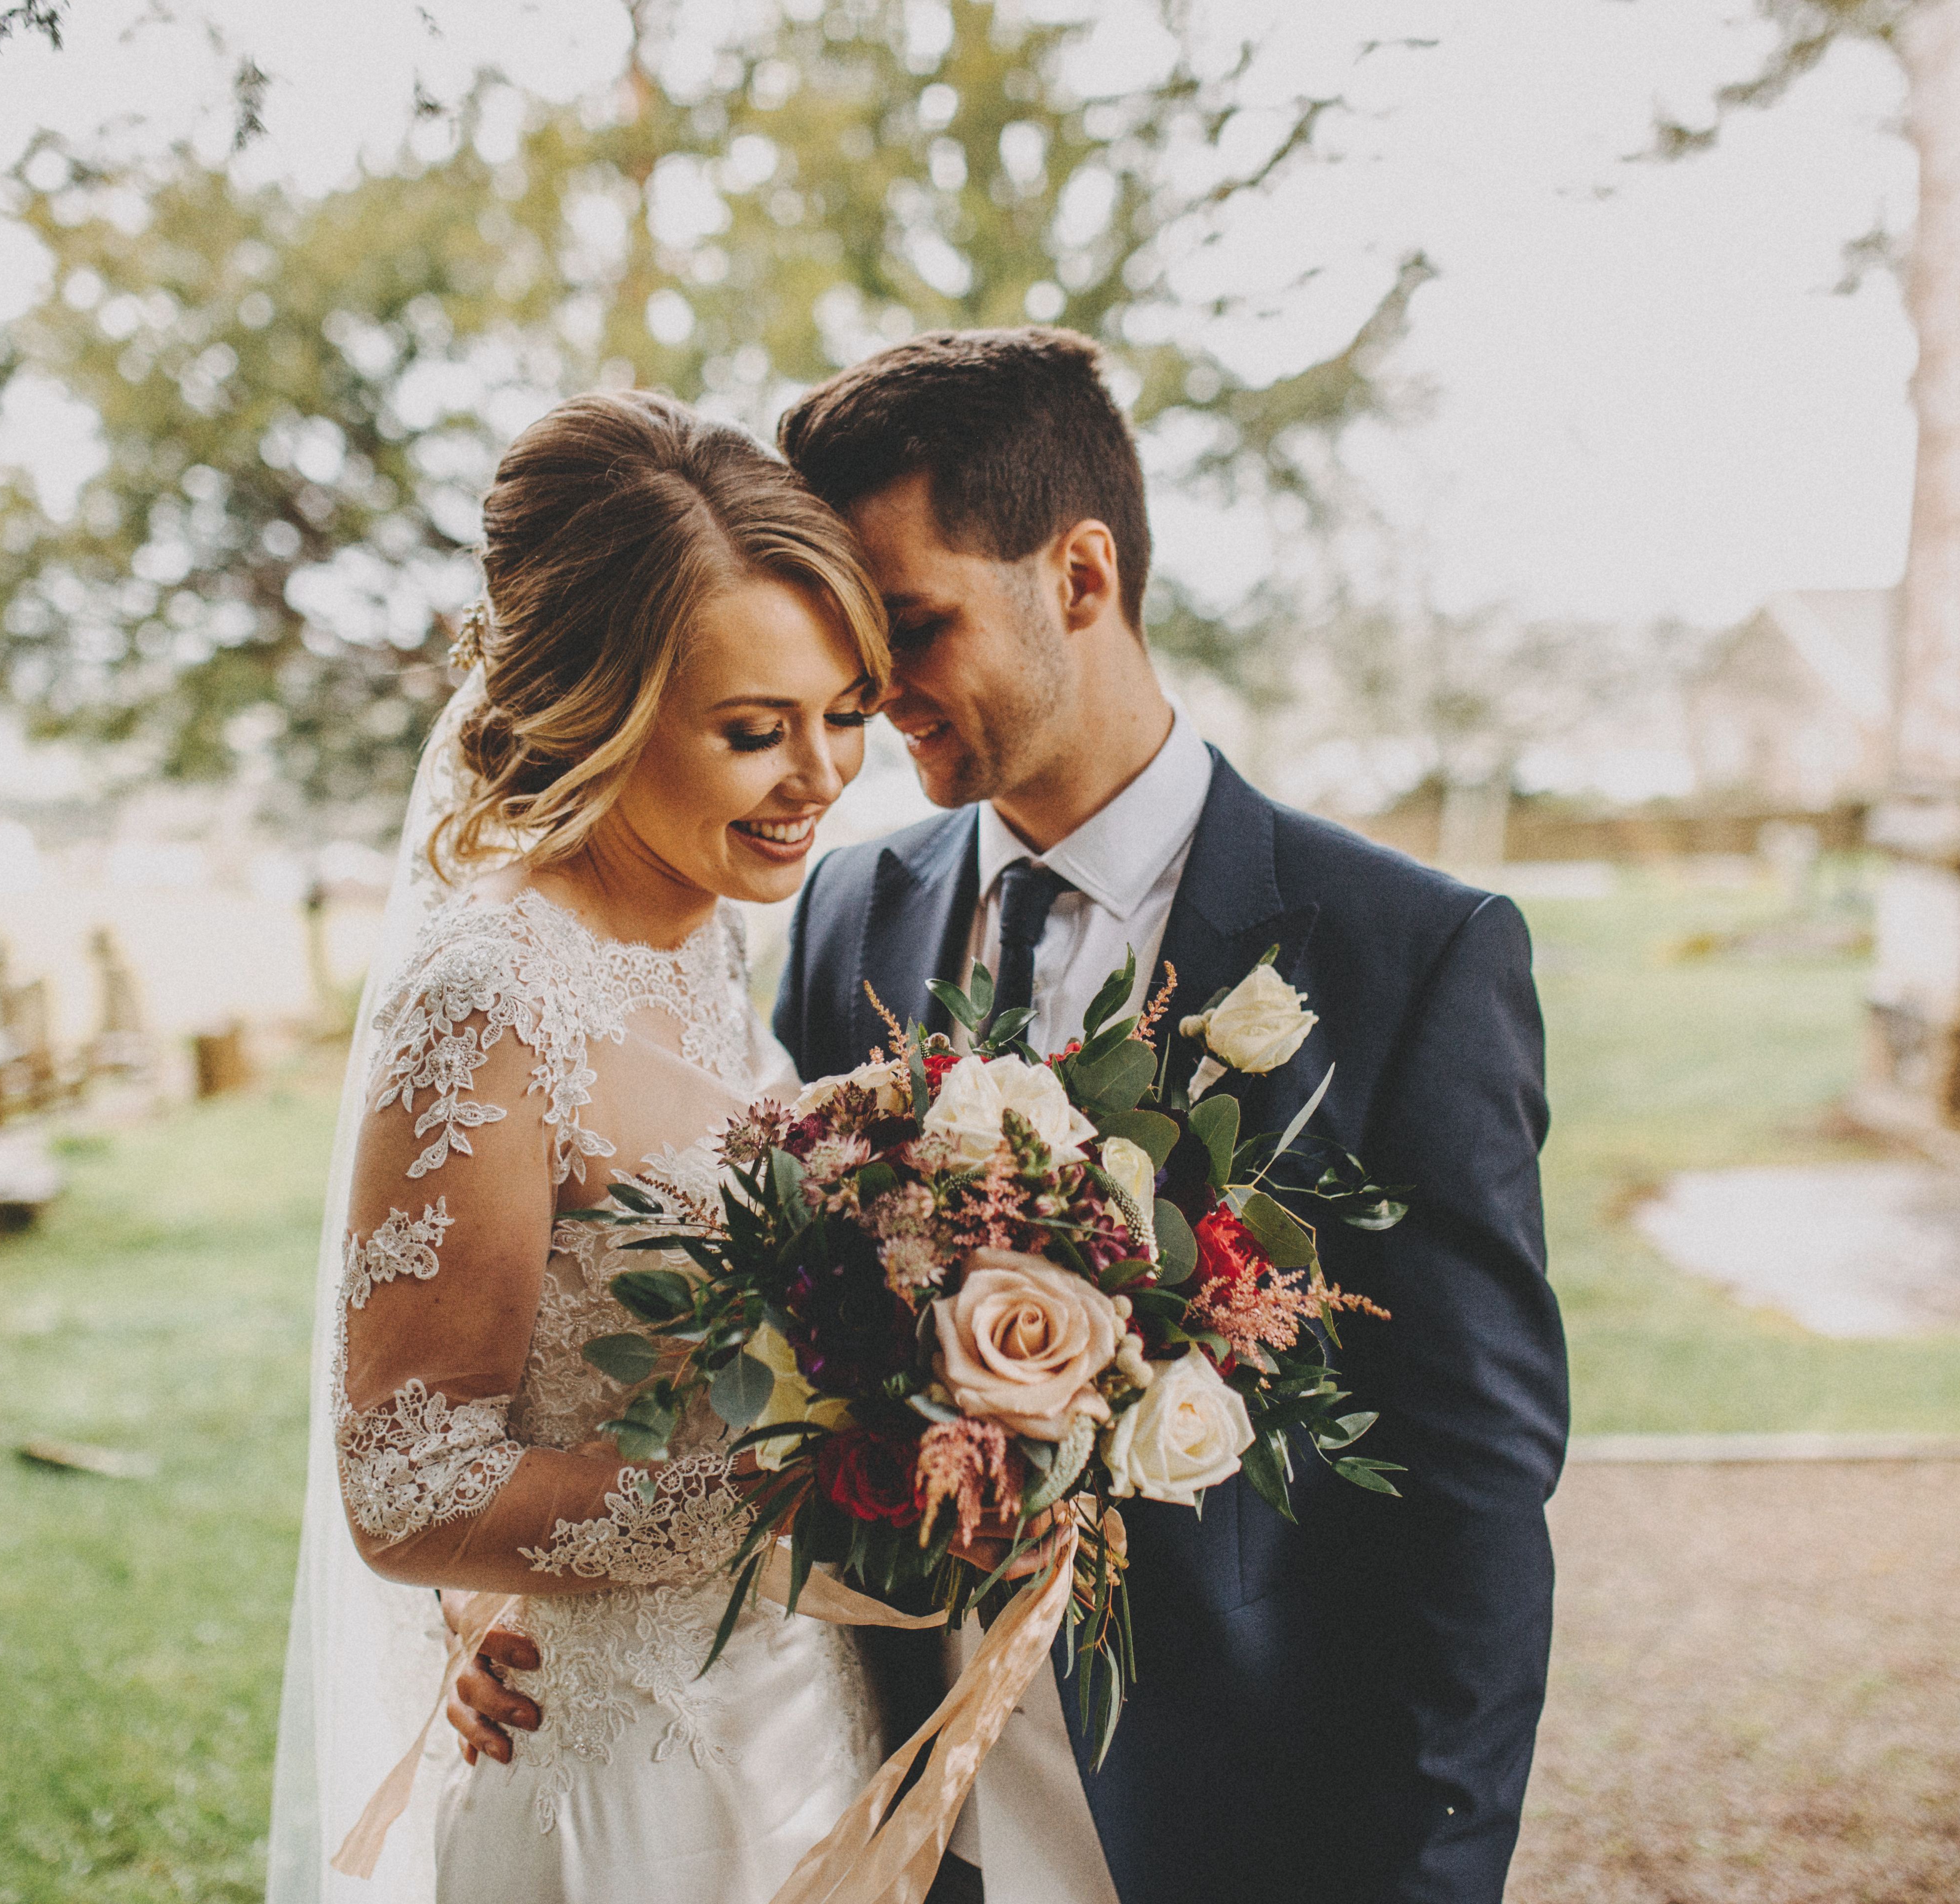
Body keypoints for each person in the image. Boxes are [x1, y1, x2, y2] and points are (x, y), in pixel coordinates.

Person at [448, 328, 1569, 1904]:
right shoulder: (847, 911)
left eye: (910, 628)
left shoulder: (1407, 956)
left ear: (1083, 576)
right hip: (886, 1801)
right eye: (845, 655)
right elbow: (734, 1331)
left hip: (1229, 1829)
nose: (875, 700)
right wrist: (506, 1597)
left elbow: (1472, 1500)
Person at [265, 388, 900, 1904]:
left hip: (797, 1724)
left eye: (846, 716)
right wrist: (799, 1485)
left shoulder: (704, 946)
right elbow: (411, 1482)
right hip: (622, 1794)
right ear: (600, 709)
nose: (818, 778)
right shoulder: (488, 1001)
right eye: (755, 732)